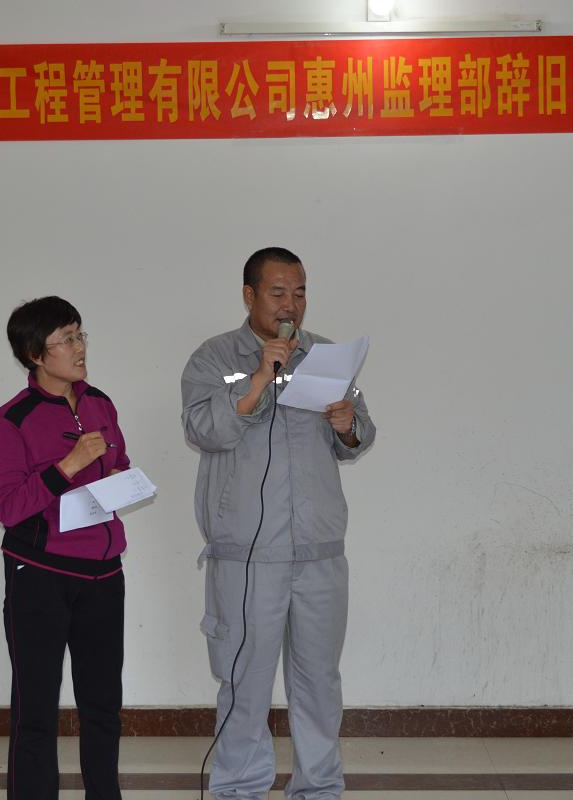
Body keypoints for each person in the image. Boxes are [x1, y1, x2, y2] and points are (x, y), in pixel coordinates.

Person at [181, 247, 376, 800]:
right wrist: (257, 381)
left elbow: (360, 435)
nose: (292, 304)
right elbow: (202, 430)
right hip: (246, 556)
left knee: (319, 684)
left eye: (300, 292)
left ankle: (319, 787)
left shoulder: (326, 357)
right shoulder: (214, 357)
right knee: (244, 682)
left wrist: (346, 424)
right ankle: (239, 787)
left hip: (319, 552)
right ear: (249, 296)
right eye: (278, 292)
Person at [0, 296, 130, 800]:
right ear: (35, 355)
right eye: (65, 339)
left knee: (103, 707)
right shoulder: (11, 421)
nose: (79, 346)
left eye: (79, 334)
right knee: (36, 711)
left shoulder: (100, 404)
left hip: (104, 574)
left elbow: (118, 462)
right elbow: (8, 507)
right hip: (40, 575)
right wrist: (67, 466)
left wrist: (122, 477)